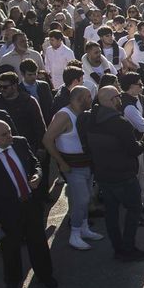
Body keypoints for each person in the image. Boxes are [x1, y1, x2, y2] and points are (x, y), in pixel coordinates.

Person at [0, 119, 57, 288]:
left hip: (31, 204)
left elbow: (35, 163)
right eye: (4, 135)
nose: (9, 136)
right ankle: (12, 281)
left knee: (38, 242)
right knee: (10, 248)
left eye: (10, 131)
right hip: (7, 211)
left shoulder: (20, 143)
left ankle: (45, 275)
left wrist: (37, 175)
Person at [79, 86, 144, 261]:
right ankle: (128, 248)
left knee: (111, 214)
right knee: (134, 209)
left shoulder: (88, 119)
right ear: (111, 100)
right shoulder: (120, 123)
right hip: (124, 175)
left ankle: (118, 248)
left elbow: (86, 146)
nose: (120, 99)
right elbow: (133, 150)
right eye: (118, 97)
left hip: (103, 175)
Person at [41, 85, 101, 250]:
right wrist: (61, 163)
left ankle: (84, 228)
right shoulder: (63, 115)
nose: (91, 99)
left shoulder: (83, 113)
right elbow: (47, 139)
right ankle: (74, 234)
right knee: (81, 199)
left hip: (87, 164)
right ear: (80, 99)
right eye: (88, 97)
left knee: (86, 198)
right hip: (73, 166)